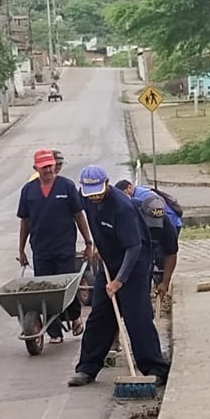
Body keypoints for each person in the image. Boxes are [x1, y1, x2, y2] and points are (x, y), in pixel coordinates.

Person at [68, 165, 170, 388]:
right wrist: (96, 246)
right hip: (109, 262)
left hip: (134, 265)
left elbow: (133, 248)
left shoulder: (122, 207)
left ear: (106, 184)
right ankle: (87, 367)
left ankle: (155, 367)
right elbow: (92, 222)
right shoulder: (85, 197)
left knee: (137, 318)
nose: (94, 196)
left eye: (98, 190)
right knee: (99, 316)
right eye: (90, 192)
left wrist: (118, 281)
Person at [17, 149, 94, 343]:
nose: (48, 170)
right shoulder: (28, 191)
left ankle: (75, 317)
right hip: (41, 249)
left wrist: (88, 242)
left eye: (51, 166)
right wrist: (21, 248)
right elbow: (25, 222)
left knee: (66, 287)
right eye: (44, 167)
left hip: (64, 248)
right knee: (46, 291)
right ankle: (54, 331)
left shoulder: (66, 187)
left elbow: (78, 215)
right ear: (36, 168)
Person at [139, 194, 179, 298]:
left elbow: (171, 254)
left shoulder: (167, 227)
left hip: (156, 247)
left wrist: (165, 282)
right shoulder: (131, 218)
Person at [115, 179, 183, 233]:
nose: (123, 197)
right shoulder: (138, 190)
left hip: (171, 222)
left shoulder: (144, 196)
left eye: (124, 193)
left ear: (130, 187)